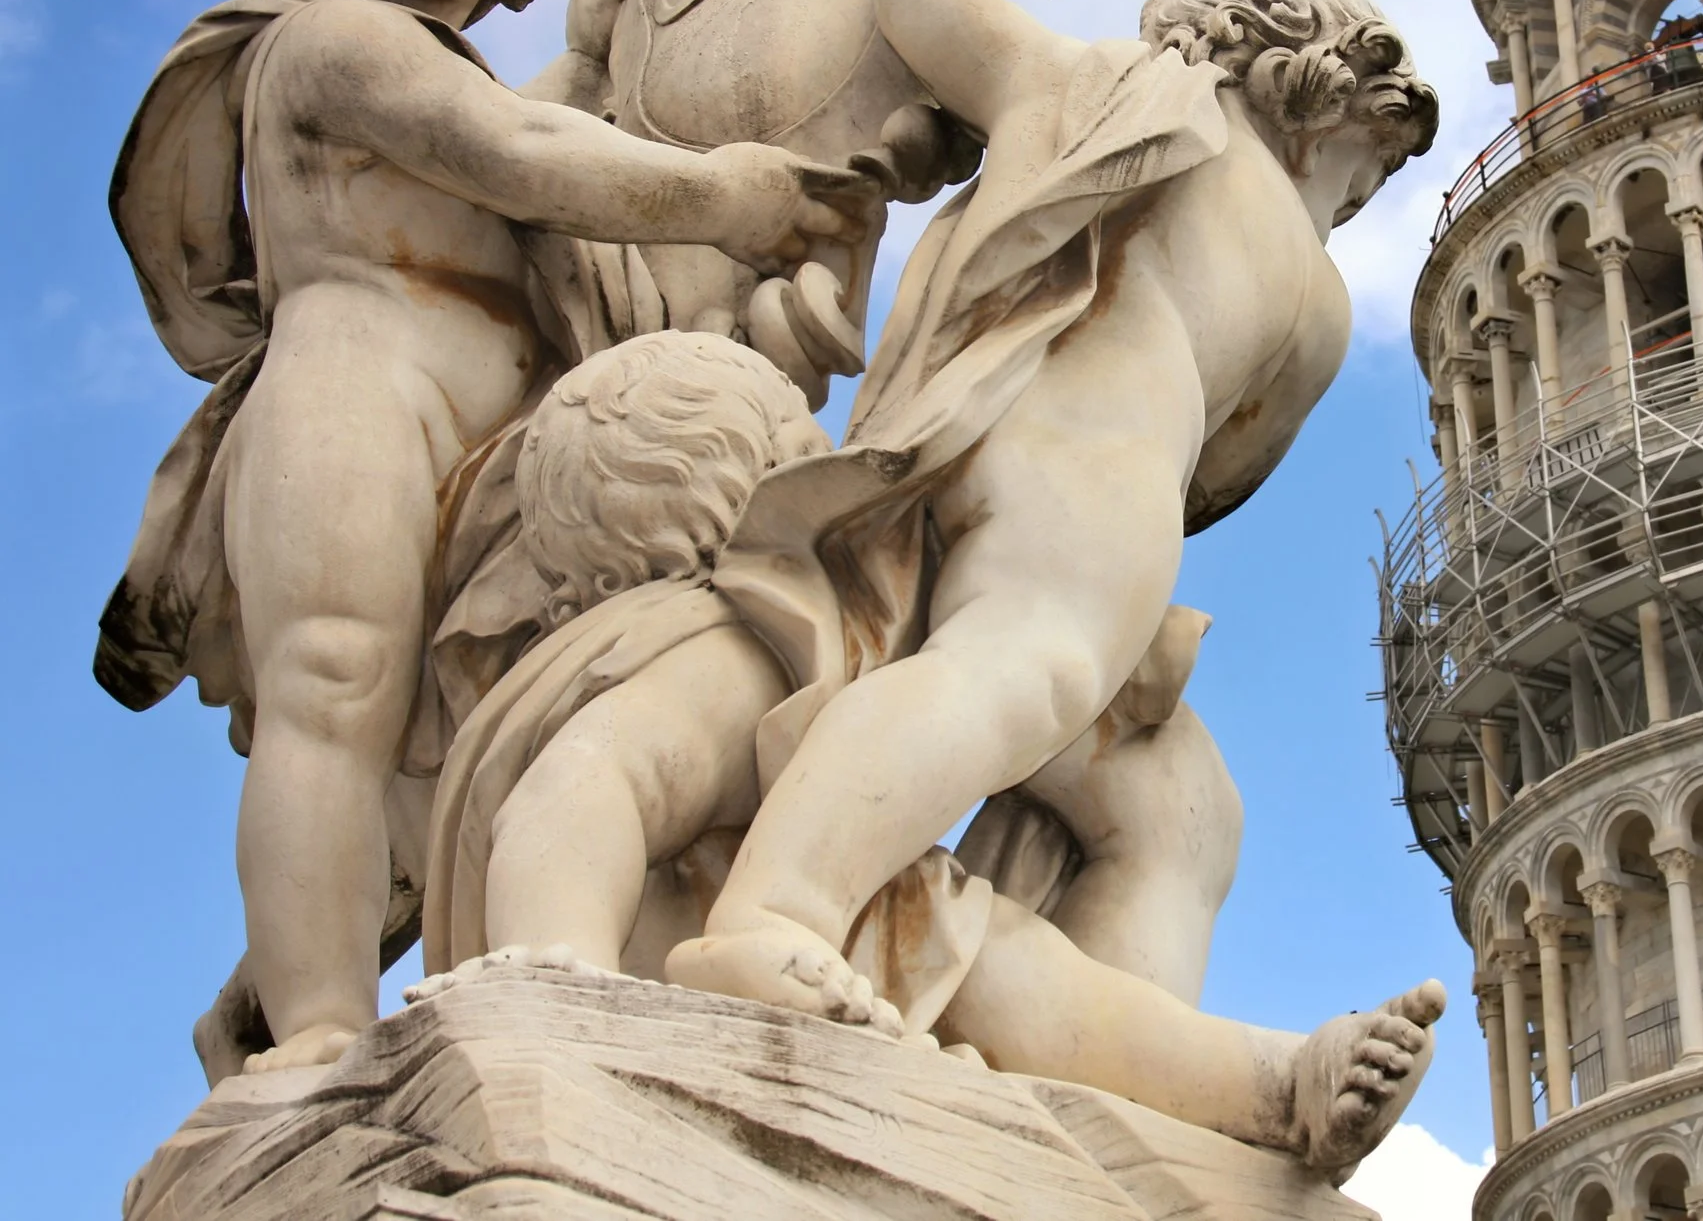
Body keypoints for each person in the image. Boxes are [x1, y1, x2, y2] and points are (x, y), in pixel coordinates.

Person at [98, 0, 864, 1072]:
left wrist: (585, 50)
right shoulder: (326, 44)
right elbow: (511, 152)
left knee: (460, 726)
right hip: (354, 395)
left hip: (506, 432)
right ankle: (317, 1041)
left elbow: (522, 125)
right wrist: (726, 195)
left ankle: (284, 1003)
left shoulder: (438, 65)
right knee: (333, 687)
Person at [658, 0, 1440, 1034]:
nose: (1350, 205)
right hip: (1108, 473)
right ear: (1323, 95)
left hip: (978, 423)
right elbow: (1226, 467)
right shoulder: (1314, 291)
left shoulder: (1100, 96)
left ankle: (1110, 1062)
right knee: (1024, 668)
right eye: (1360, 178)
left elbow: (933, 2)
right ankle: (779, 909)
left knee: (1172, 796)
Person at [420, 331, 1441, 1180]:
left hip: (825, 943)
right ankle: (1263, 1082)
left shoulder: (758, 658)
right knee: (1019, 972)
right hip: (682, 961)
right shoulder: (717, 649)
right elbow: (584, 783)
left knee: (1011, 962)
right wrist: (558, 967)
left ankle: (1273, 1084)